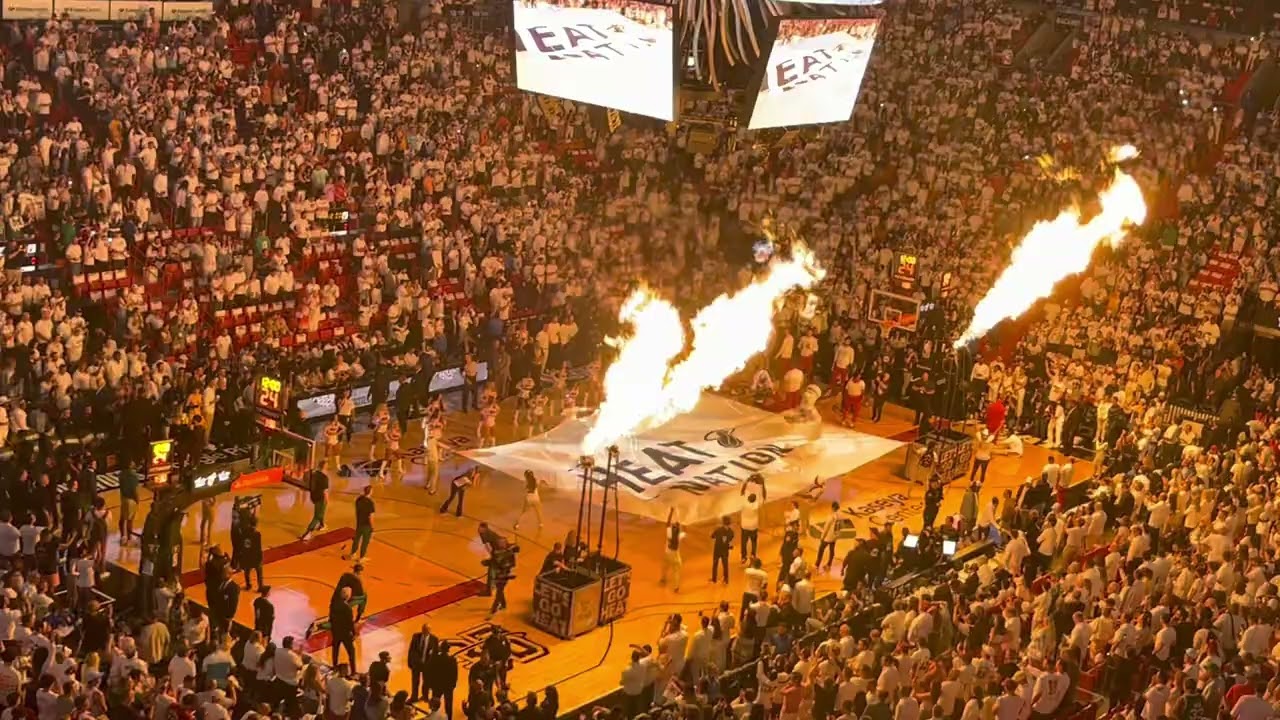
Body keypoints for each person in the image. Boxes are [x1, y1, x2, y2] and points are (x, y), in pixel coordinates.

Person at [344, 485, 375, 562]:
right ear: (370, 492)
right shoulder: (370, 503)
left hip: (359, 523)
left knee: (356, 539)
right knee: (365, 542)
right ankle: (362, 557)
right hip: (367, 525)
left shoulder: (358, 500)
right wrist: (372, 527)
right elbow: (371, 516)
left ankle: (353, 554)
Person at [329, 586, 358, 670]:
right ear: (347, 596)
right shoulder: (347, 608)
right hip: (345, 633)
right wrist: (354, 632)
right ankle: (353, 671)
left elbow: (331, 618)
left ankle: (334, 665)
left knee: (335, 650)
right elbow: (350, 622)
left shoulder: (333, 605)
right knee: (351, 652)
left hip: (336, 631)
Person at [408, 623, 438, 703]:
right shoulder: (415, 636)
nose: (425, 631)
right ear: (422, 629)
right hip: (416, 664)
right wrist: (410, 662)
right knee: (415, 681)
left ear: (430, 630)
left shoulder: (434, 639)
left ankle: (425, 696)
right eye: (424, 629)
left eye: (427, 630)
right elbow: (411, 650)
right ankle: (414, 697)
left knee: (426, 682)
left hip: (427, 665)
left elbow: (435, 654)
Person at [300, 469, 329, 541]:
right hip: (320, 498)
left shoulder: (314, 474)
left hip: (314, 497)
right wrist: (327, 500)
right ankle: (308, 533)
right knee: (317, 515)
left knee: (320, 511)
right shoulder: (324, 478)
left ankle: (322, 525)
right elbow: (325, 491)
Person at [660, 508, 685, 592]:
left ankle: (663, 579)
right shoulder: (679, 536)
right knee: (676, 571)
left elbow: (667, 524)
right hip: (676, 555)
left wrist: (671, 512)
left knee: (665, 567)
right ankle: (676, 587)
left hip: (668, 553)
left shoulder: (669, 534)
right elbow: (681, 530)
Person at [238, 517, 264, 591]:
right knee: (259, 572)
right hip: (255, 556)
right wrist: (260, 557)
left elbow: (242, 544)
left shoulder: (244, 532)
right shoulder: (257, 534)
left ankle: (248, 585)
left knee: (247, 571)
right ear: (256, 524)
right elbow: (258, 547)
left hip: (247, 555)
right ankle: (260, 586)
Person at [816, 502, 841, 570]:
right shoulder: (839, 515)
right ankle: (829, 564)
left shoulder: (831, 516)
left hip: (828, 537)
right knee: (832, 550)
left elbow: (826, 528)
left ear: (832, 508)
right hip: (834, 536)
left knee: (821, 549)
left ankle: (817, 564)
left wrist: (822, 537)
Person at [710, 516, 734, 584]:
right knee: (725, 565)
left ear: (723, 522)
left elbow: (712, 536)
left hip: (717, 550)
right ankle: (726, 580)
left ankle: (714, 579)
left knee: (715, 564)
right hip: (725, 550)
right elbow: (730, 540)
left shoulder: (718, 530)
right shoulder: (731, 532)